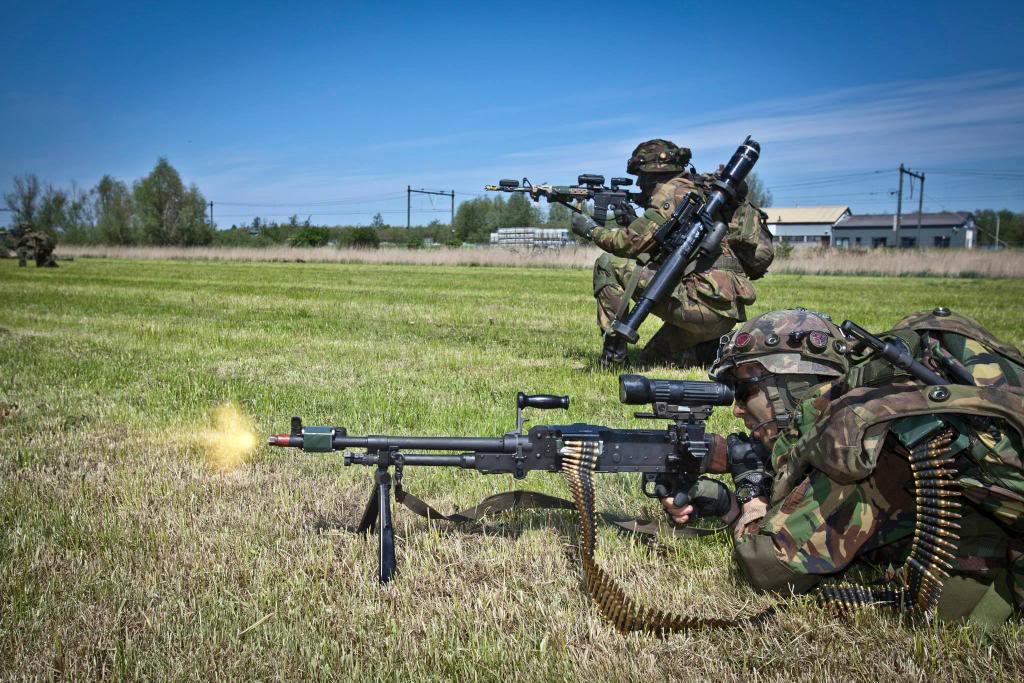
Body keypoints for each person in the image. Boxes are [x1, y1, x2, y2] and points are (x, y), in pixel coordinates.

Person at [663, 308, 1024, 627]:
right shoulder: (891, 395)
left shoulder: (858, 432)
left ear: (792, 386)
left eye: (743, 390)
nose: (737, 409)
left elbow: (769, 567)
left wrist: (749, 494)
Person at [571, 139, 773, 368]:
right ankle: (714, 350)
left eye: (640, 176)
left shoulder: (671, 192)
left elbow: (625, 244)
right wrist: (633, 222)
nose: (638, 183)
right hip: (723, 311)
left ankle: (613, 356)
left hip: (700, 304)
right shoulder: (699, 191)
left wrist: (589, 229)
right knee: (652, 359)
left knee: (608, 263)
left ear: (653, 173)